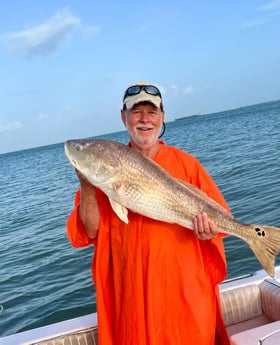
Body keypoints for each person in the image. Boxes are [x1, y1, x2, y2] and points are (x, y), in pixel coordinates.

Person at [67, 81, 231, 345]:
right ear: (124, 117)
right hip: (130, 297)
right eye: (136, 112)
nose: (144, 120)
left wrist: (208, 231)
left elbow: (221, 222)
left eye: (151, 112)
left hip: (182, 295)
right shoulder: (104, 168)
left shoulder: (187, 165)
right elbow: (88, 231)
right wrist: (86, 185)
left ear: (162, 117)